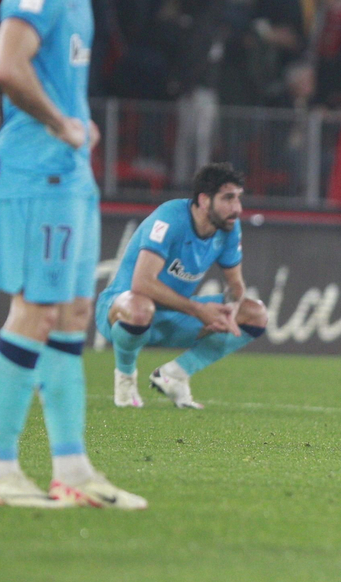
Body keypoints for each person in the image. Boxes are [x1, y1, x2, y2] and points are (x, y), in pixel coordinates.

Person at [0, 0, 145, 511]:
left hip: (70, 171)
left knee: (74, 314)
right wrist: (61, 124)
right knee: (37, 310)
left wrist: (79, 126)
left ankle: (72, 469)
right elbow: (5, 63)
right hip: (36, 169)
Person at [98, 163, 267, 410]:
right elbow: (142, 283)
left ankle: (175, 375)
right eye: (228, 198)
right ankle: (125, 379)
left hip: (173, 317)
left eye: (239, 199)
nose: (237, 208)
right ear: (204, 200)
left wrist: (232, 305)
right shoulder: (170, 219)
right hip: (121, 312)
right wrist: (199, 311)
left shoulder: (228, 227)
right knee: (140, 306)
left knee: (255, 314)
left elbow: (235, 284)